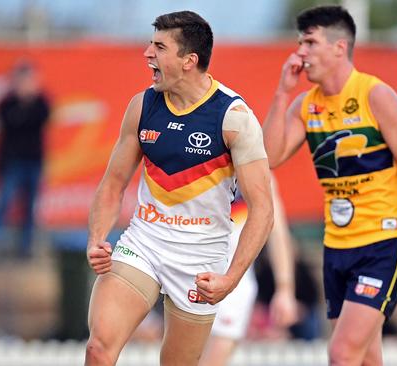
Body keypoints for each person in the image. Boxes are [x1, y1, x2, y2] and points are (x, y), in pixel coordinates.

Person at [84, 11, 273, 366]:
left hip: (200, 259)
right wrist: (97, 237)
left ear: (189, 61)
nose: (147, 54)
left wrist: (231, 278)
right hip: (144, 243)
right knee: (98, 349)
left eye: (158, 47)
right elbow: (113, 184)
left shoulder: (234, 118)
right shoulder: (143, 106)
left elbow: (264, 210)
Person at [261, 6, 397, 365]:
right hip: (337, 246)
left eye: (310, 43)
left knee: (342, 353)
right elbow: (270, 156)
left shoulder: (376, 96)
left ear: (340, 47)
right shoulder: (305, 105)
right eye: (299, 43)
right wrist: (281, 93)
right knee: (367, 355)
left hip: (383, 244)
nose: (300, 53)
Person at [199, 177, 298, 366]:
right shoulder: (200, 158)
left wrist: (285, 289)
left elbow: (277, 233)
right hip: (189, 272)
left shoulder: (259, 170)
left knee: (214, 359)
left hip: (233, 283)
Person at [0, 60, 50, 259]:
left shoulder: (41, 102)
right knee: (3, 201)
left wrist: (26, 109)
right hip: (12, 161)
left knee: (31, 205)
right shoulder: (7, 103)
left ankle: (26, 246)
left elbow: (39, 120)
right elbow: (9, 122)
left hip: (34, 161)